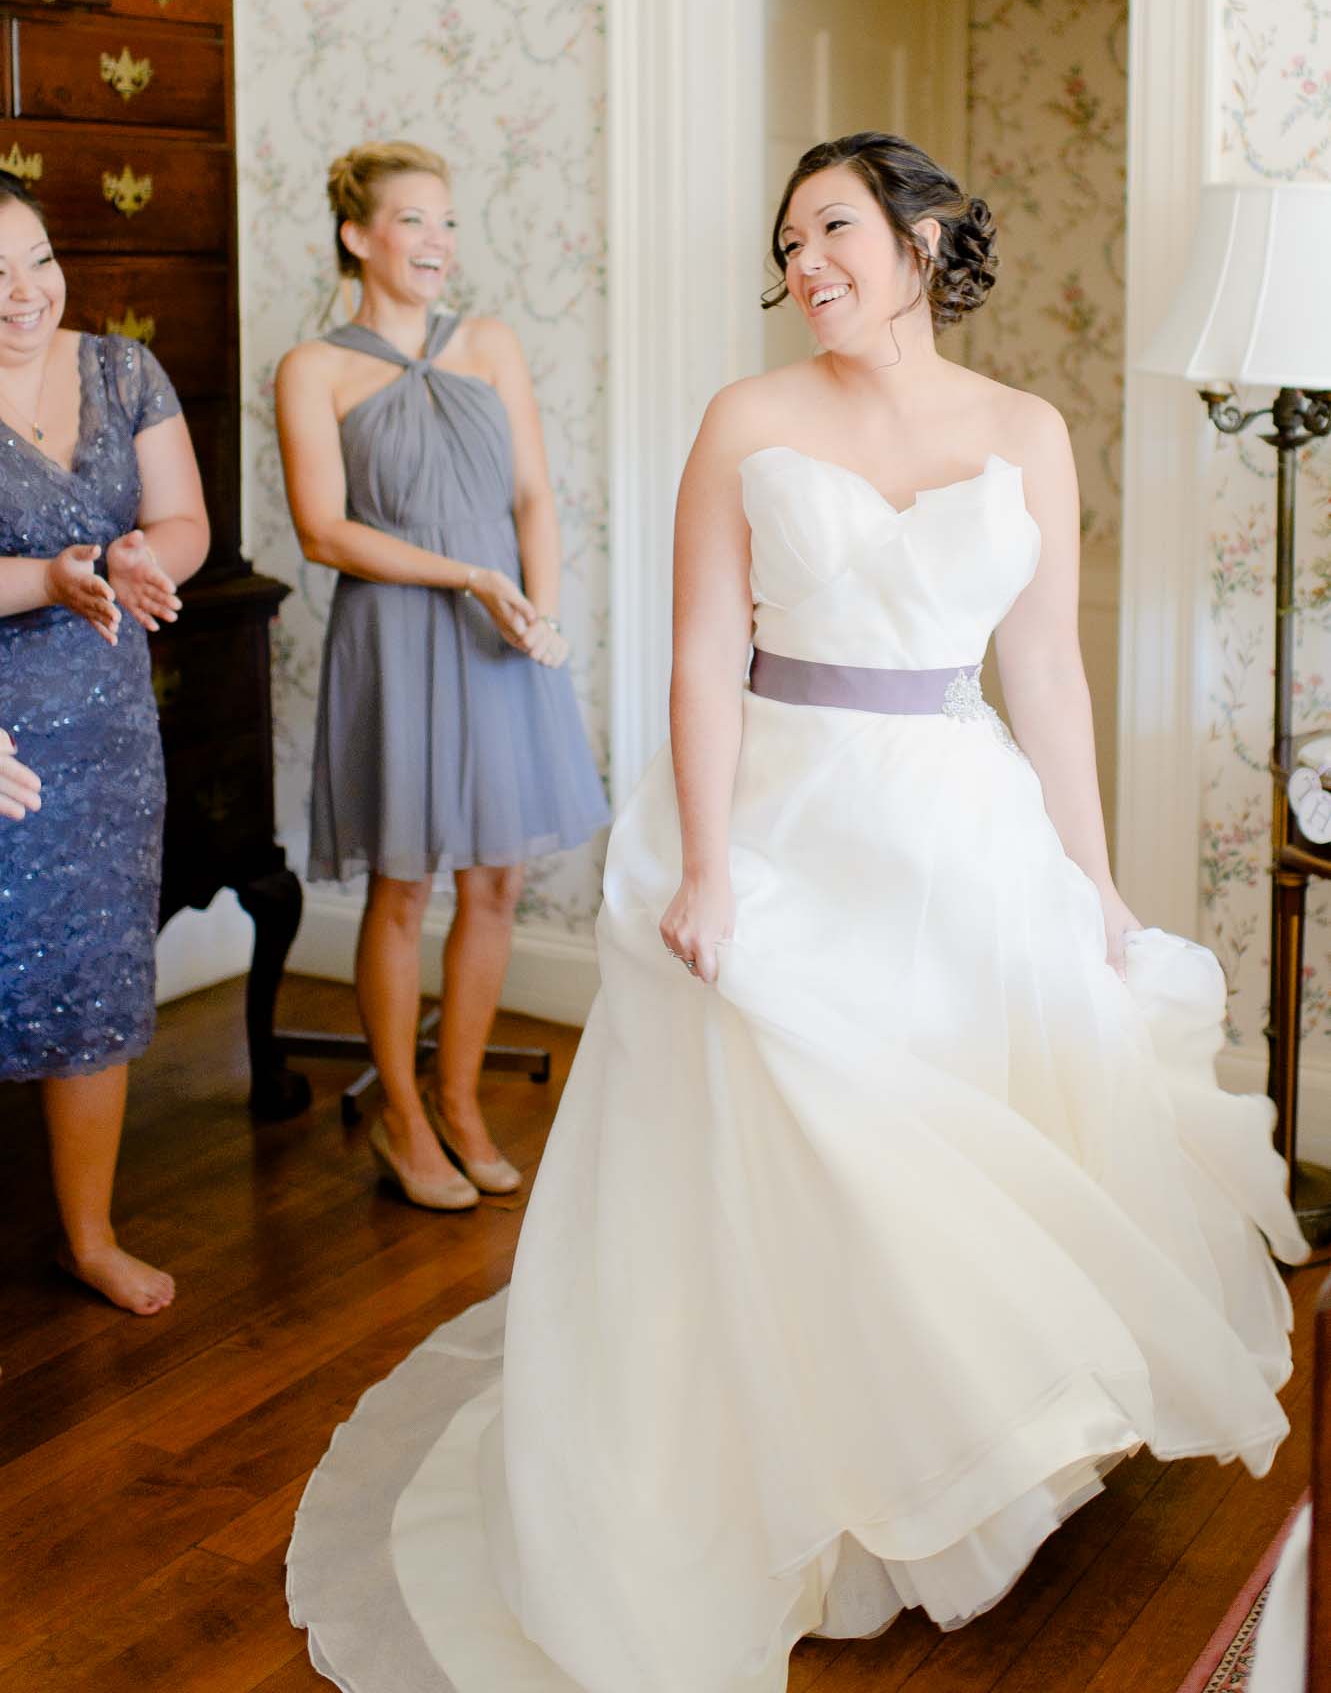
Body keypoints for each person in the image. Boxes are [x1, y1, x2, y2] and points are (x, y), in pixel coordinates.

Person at [288, 133, 1306, 1692]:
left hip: (952, 821)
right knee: (801, 1142)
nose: (803, 263)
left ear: (919, 238)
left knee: (953, 1140)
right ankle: (794, 1486)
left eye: (831, 227)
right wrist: (706, 865)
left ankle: (939, 1461)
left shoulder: (1024, 429)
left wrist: (1088, 869)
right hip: (780, 811)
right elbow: (702, 655)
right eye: (786, 243)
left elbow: (1041, 672)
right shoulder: (746, 417)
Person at [276, 141, 608, 1212]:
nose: (437, 241)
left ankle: (458, 1099)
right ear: (357, 235)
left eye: (448, 221)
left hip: (499, 631)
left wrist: (537, 608)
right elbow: (325, 533)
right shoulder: (312, 369)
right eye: (414, 219)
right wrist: (470, 575)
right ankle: (402, 1116)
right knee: (405, 879)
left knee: (498, 877)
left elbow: (532, 498)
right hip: (397, 632)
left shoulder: (491, 344)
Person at [0, 171, 208, 1317]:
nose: (24, 293)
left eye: (36, 257)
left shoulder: (124, 369)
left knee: (92, 971)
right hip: (3, 722)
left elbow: (184, 518)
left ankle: (89, 1233)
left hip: (108, 728)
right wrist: (50, 575)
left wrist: (142, 559)